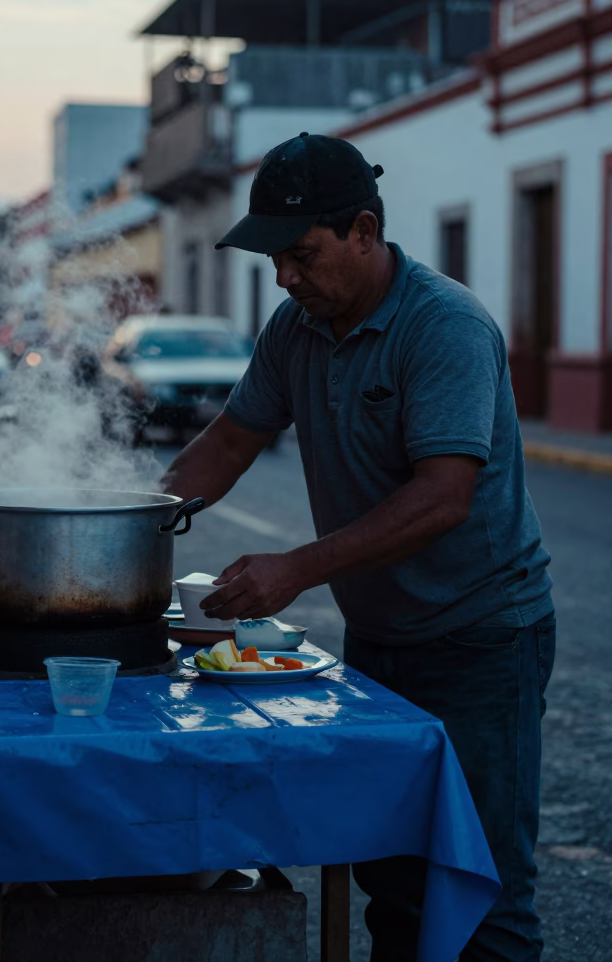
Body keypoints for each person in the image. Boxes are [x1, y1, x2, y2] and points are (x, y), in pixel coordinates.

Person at [161, 133, 555, 962]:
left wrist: (295, 570)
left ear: (365, 232)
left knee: (480, 886)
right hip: (382, 639)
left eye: (302, 254)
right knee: (395, 882)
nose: (285, 277)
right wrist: (123, 525)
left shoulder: (442, 326)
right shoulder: (295, 327)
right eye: (276, 259)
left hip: (483, 637)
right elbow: (231, 442)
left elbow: (445, 498)